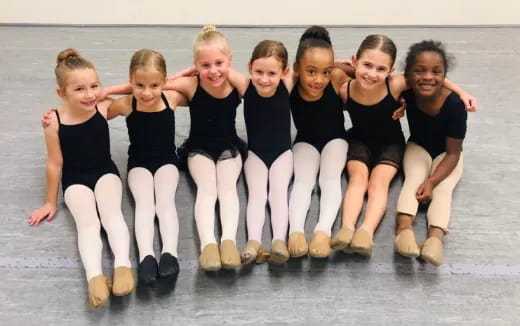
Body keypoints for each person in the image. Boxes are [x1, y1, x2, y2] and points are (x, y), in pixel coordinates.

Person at [332, 35, 475, 257]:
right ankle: (347, 228)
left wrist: (462, 92)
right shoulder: (345, 90)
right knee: (357, 179)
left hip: (391, 143)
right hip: (359, 140)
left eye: (381, 69)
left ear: (390, 71)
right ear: (355, 61)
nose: (372, 74)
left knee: (379, 183)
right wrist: (342, 62)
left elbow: (435, 77)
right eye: (366, 65)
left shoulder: (396, 84)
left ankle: (366, 232)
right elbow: (330, 66)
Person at [29, 49, 134, 309]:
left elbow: (137, 87)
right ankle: (94, 278)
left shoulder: (102, 106)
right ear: (61, 93)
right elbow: (55, 163)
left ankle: (123, 266)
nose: (88, 94)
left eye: (93, 86)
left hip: (105, 172)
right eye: (79, 89)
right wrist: (50, 202)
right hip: (75, 180)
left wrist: (103, 91)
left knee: (112, 216)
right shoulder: (54, 121)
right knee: (87, 224)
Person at [164, 25, 245, 271]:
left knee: (228, 189)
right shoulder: (191, 84)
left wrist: (209, 68)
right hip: (199, 149)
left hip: (229, 147)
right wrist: (189, 72)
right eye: (205, 65)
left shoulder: (236, 83)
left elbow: (262, 89)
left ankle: (228, 241)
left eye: (219, 63)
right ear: (196, 65)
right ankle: (208, 245)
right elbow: (164, 84)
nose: (213, 71)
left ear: (230, 61)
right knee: (208, 190)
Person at [105, 49, 187, 284]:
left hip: (166, 162)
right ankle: (146, 257)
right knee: (144, 205)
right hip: (139, 164)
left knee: (165, 201)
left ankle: (170, 253)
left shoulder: (170, 98)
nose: (147, 92)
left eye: (154, 85)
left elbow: (197, 86)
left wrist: (176, 78)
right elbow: (93, 110)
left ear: (164, 82)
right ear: (130, 81)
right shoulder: (126, 104)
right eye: (139, 85)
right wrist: (56, 116)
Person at [394, 40, 468, 266]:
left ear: (444, 76)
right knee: (413, 182)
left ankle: (435, 239)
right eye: (419, 71)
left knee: (442, 190)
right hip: (418, 147)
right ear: (408, 74)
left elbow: (453, 154)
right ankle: (403, 230)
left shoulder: (455, 105)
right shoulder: (406, 90)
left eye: (436, 72)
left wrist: (432, 181)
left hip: (447, 155)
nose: (427, 77)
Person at [222, 40, 295, 264]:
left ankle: (278, 241)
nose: (264, 79)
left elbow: (321, 65)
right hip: (255, 155)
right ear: (250, 66)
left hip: (283, 153)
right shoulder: (245, 85)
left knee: (278, 195)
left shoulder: (288, 84)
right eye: (259, 72)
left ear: (284, 72)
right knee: (256, 196)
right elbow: (217, 66)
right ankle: (253, 240)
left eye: (272, 73)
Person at [287, 26, 351, 259]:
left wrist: (401, 101)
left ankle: (322, 232)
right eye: (311, 72)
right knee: (303, 182)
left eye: (325, 72)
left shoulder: (335, 78)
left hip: (336, 138)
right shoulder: (290, 81)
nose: (319, 80)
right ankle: (295, 232)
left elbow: (370, 84)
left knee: (329, 179)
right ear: (296, 69)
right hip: (305, 140)